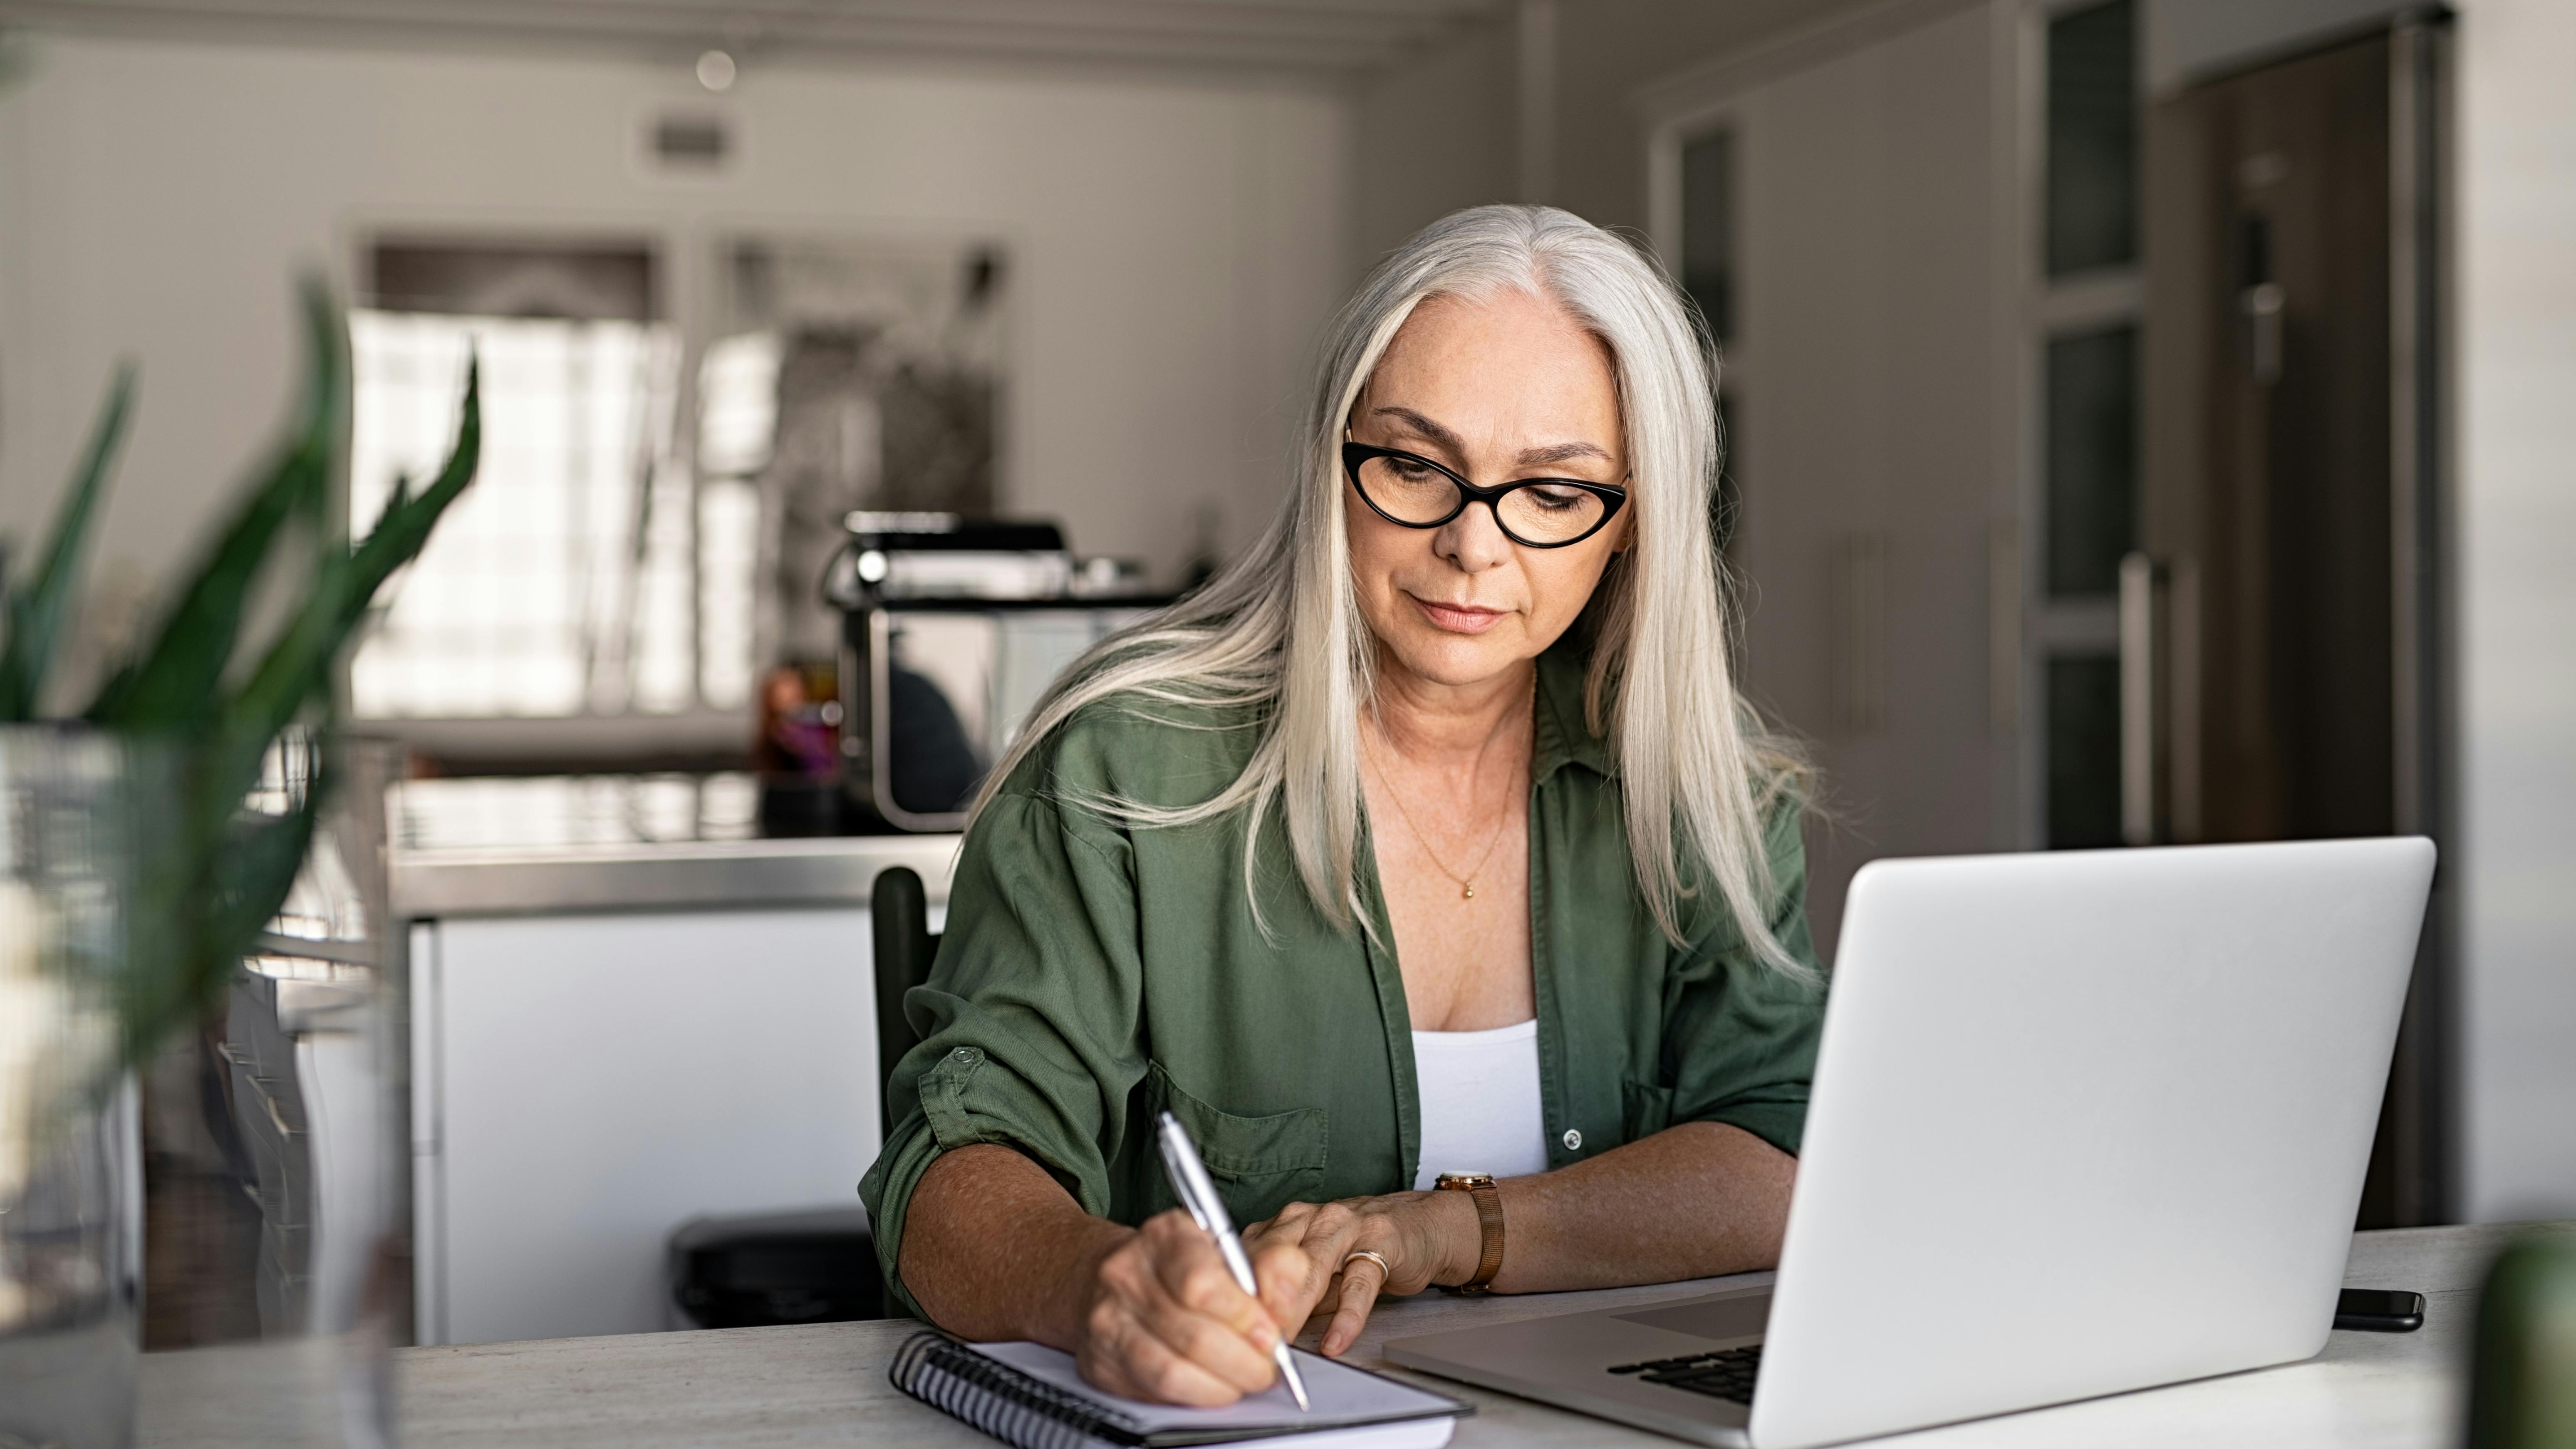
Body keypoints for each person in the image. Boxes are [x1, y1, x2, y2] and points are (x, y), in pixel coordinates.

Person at [858, 203, 1824, 1407]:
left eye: (1554, 491)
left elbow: (1783, 1157)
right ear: (1335, 461)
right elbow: (948, 1175)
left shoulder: (1703, 785)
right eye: (1417, 466)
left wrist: (1442, 1230)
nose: (1474, 544)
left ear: (1632, 525)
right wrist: (1093, 1282)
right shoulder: (1122, 763)